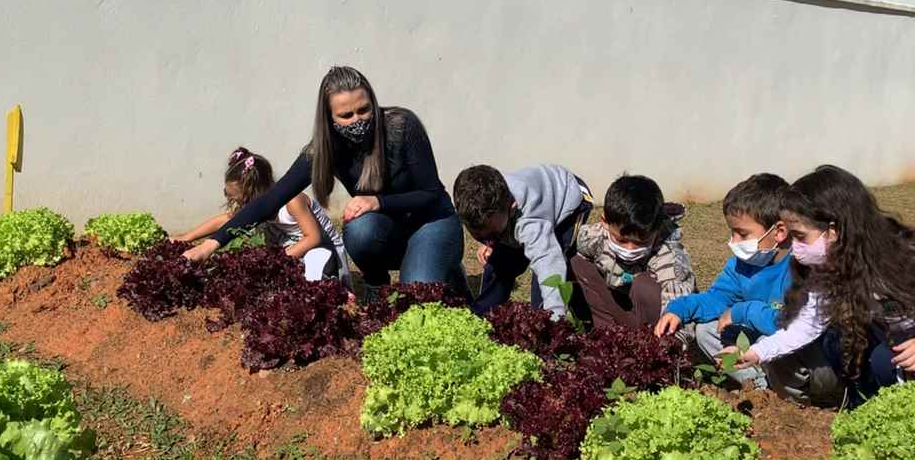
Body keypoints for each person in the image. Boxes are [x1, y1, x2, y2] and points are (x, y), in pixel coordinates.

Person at [182, 66, 470, 302]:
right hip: (388, 230)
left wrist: (378, 201)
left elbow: (432, 194)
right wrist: (212, 244)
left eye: (364, 110)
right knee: (359, 229)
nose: (357, 120)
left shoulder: (401, 126)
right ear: (329, 118)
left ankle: (444, 267)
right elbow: (271, 199)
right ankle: (375, 281)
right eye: (346, 115)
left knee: (416, 299)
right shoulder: (322, 150)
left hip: (433, 221)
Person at [722, 165, 914, 407]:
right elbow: (806, 324)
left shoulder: (899, 260)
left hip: (903, 347)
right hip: (890, 341)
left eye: (800, 237)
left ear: (834, 230)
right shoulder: (830, 266)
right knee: (843, 340)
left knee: (883, 360)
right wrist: (757, 352)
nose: (795, 245)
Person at [656, 174, 793, 390]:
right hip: (756, 339)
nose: (733, 242)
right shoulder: (740, 265)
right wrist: (678, 310)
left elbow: (789, 325)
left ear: (779, 232)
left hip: (789, 345)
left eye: (742, 233)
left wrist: (743, 311)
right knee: (707, 330)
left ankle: (785, 389)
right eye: (732, 232)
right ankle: (757, 386)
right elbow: (717, 298)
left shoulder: (800, 268)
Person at [173, 148, 350, 285]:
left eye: (236, 197)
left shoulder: (292, 201)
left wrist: (278, 260)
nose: (232, 202)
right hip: (293, 256)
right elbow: (227, 220)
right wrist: (186, 238)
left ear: (254, 192)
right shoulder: (255, 207)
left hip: (326, 253)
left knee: (315, 258)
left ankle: (333, 285)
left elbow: (313, 238)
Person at [452, 164, 594, 320]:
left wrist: (555, 318)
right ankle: (483, 319)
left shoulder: (529, 223)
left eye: (493, 234)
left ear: (512, 208)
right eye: (479, 234)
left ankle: (561, 321)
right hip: (522, 208)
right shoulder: (485, 204)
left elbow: (548, 264)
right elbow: (488, 227)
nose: (486, 239)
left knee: (545, 281)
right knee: (498, 266)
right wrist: (489, 242)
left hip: (569, 201)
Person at [571, 174, 695, 329]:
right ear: (605, 223)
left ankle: (645, 339)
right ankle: (603, 331)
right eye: (621, 240)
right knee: (577, 263)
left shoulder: (669, 256)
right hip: (620, 301)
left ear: (656, 230)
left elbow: (680, 306)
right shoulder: (592, 238)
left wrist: (671, 341)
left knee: (644, 285)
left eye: (641, 242)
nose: (629, 249)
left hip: (653, 314)